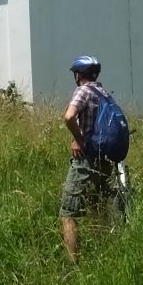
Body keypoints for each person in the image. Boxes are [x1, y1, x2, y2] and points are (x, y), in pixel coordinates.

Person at [59, 55, 114, 263]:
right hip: (105, 159)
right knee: (97, 207)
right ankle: (104, 257)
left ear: (78, 75)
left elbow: (69, 116)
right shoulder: (104, 93)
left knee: (68, 213)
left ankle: (74, 265)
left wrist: (78, 139)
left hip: (86, 159)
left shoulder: (83, 91)